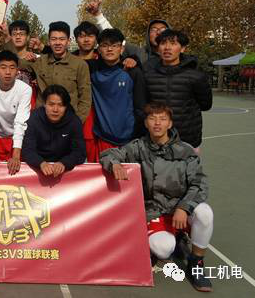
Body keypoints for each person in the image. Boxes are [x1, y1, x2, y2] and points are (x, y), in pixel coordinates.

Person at [100, 102, 214, 292]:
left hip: (180, 210)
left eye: (162, 118)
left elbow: (199, 183)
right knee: (163, 249)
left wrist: (184, 207)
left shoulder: (185, 150)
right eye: (152, 118)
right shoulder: (138, 147)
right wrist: (114, 164)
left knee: (205, 213)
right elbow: (109, 154)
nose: (157, 123)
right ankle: (176, 239)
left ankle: (196, 263)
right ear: (146, 123)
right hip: (155, 212)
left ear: (170, 123)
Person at [144, 30, 212, 153]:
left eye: (173, 43)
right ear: (158, 48)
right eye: (163, 43)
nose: (167, 47)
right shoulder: (148, 75)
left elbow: (206, 105)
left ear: (183, 48)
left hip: (187, 140)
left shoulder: (196, 76)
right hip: (156, 140)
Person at [84, 29, 146, 162]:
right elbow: (68, 60)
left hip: (130, 140)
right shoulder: (91, 69)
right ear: (99, 49)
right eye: (105, 45)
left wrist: (137, 134)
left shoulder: (133, 71)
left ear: (121, 49)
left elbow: (140, 107)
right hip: (103, 138)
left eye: (114, 45)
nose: (109, 49)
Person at [22, 21, 92, 123]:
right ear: (49, 41)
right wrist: (25, 52)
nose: (58, 43)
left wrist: (76, 122)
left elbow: (85, 99)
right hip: (42, 121)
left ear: (68, 41)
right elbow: (13, 63)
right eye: (54, 39)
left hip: (68, 121)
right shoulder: (39, 62)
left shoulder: (80, 65)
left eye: (62, 39)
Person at [0, 50, 32, 175]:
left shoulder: (25, 89)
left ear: (17, 70)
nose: (8, 72)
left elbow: (21, 122)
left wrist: (16, 155)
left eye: (12, 67)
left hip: (18, 137)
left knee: (17, 172)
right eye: (3, 67)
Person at [22, 85, 86, 177]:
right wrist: (40, 163)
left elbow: (80, 152)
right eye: (51, 104)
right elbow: (27, 150)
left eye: (60, 105)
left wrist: (64, 163)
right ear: (44, 104)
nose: (55, 110)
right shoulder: (34, 118)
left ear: (66, 106)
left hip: (65, 169)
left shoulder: (74, 122)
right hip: (38, 167)